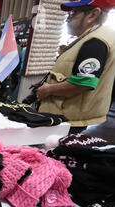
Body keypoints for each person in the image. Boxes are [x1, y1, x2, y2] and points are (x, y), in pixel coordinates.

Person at [36, 0, 115, 134]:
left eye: (73, 13)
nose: (68, 18)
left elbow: (84, 82)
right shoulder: (91, 37)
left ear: (92, 15)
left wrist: (48, 89)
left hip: (68, 121)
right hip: (66, 117)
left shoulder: (96, 42)